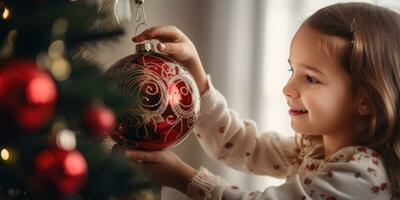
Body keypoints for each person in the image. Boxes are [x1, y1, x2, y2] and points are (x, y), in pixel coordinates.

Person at [124, 2, 400, 199]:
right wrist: (195, 71)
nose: (287, 88)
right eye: (293, 71)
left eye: (311, 78)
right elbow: (239, 145)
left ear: (366, 100)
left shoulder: (361, 174)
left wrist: (185, 179)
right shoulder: (312, 149)